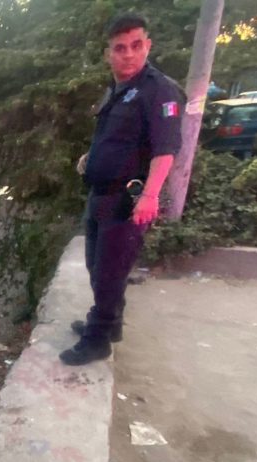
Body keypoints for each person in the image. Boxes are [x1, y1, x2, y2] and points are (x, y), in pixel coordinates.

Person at [61, 13, 184, 366]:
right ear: (108, 53)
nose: (128, 54)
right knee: (96, 266)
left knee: (109, 271)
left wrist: (150, 196)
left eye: (136, 45)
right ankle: (110, 323)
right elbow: (117, 137)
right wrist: (92, 155)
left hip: (127, 199)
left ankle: (98, 339)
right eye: (119, 48)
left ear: (148, 46)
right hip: (102, 195)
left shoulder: (158, 89)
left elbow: (166, 149)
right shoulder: (118, 89)